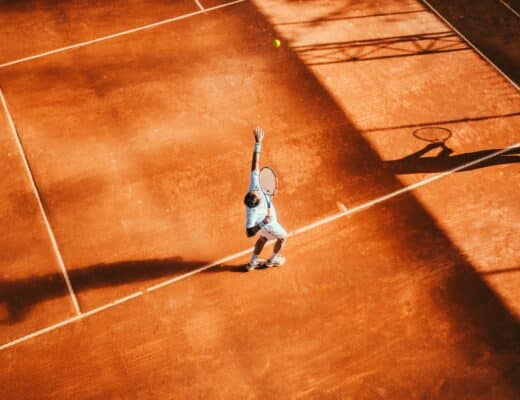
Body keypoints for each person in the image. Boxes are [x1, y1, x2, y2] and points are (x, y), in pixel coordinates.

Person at [243, 127, 287, 271]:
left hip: (263, 225)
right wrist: (263, 223)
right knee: (283, 237)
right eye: (259, 194)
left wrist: (258, 143)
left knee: (263, 239)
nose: (259, 191)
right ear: (256, 203)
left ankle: (252, 263)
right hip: (267, 224)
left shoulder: (254, 186)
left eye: (256, 191)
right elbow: (249, 232)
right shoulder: (252, 212)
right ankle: (272, 261)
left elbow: (255, 164)